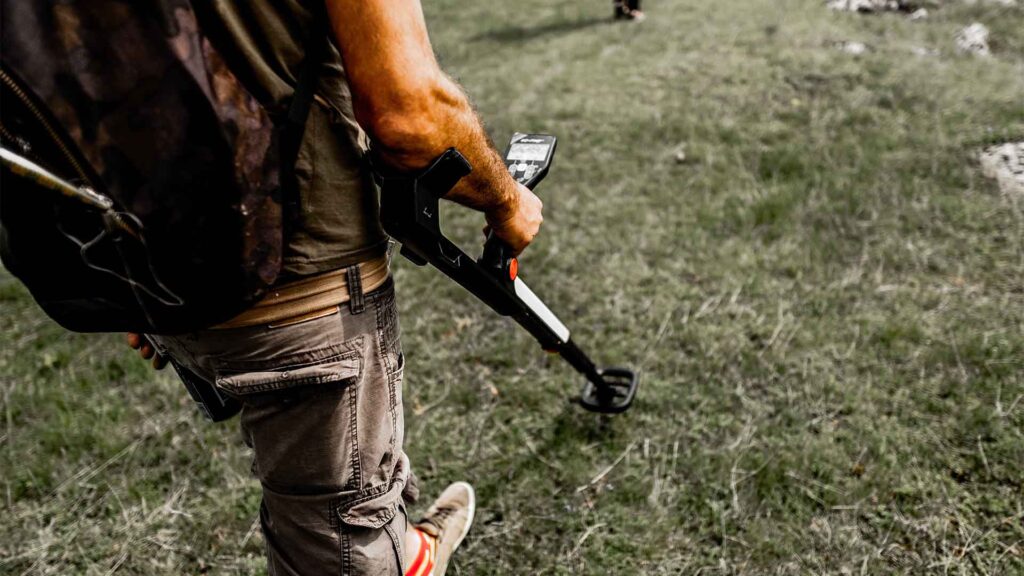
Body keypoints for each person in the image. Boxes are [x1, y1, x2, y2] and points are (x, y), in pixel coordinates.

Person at [127, 1, 544, 574]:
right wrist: (507, 199)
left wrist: (111, 274)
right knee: (334, 543)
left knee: (346, 471)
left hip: (144, 269)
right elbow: (409, 117)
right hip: (298, 280)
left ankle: (408, 548)